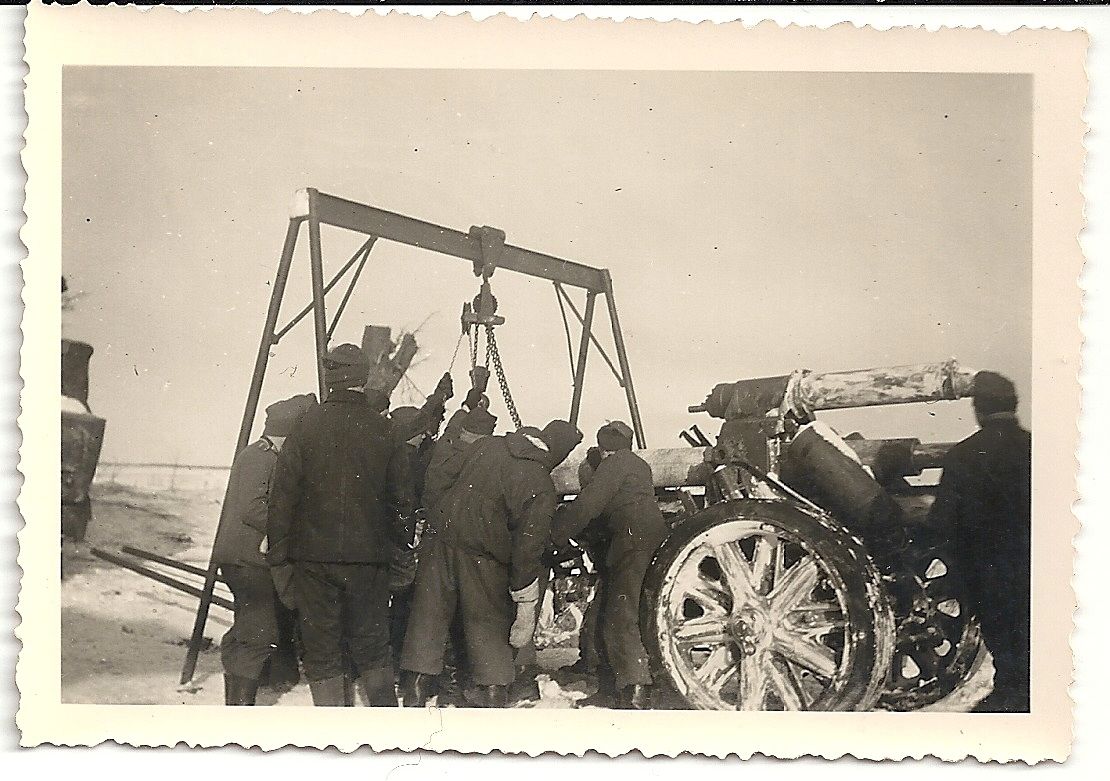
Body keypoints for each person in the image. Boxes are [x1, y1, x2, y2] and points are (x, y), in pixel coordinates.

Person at [399, 420, 583, 707]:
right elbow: (528, 548)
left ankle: (414, 695)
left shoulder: (489, 444)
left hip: (440, 543)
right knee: (489, 626)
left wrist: (440, 519)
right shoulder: (541, 484)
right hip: (484, 559)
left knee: (428, 619)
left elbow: (438, 477)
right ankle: (492, 696)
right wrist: (523, 595)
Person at [266, 343, 410, 707]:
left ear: (330, 381)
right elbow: (402, 502)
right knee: (375, 649)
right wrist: (397, 553)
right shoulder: (385, 430)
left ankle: (333, 737)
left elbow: (281, 501)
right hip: (369, 563)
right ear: (362, 380)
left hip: (312, 562)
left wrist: (281, 563)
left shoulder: (304, 427)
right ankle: (388, 736)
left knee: (322, 651)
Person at [927, 371, 1031, 713]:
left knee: (1006, 641)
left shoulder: (963, 456)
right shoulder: (1038, 449)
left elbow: (943, 524)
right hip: (1038, 567)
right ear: (1014, 405)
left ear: (978, 408)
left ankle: (1012, 695)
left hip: (989, 575)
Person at [550, 421, 669, 709]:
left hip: (631, 546)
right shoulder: (638, 465)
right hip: (651, 539)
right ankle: (619, 683)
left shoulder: (613, 466)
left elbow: (586, 506)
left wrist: (555, 534)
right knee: (627, 609)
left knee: (620, 614)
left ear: (605, 450)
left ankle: (633, 690)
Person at [211, 393, 317, 705]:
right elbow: (253, 509)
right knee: (261, 632)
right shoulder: (262, 458)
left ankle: (235, 690)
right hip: (246, 560)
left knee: (248, 627)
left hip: (242, 558)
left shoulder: (259, 455)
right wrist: (291, 525)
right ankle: (240, 708)